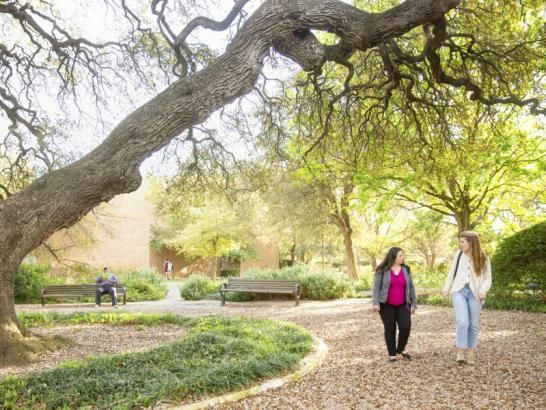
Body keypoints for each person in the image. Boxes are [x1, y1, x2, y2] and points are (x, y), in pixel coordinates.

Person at [443, 231, 492, 365]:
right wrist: (447, 287)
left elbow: (488, 278)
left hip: (475, 293)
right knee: (462, 321)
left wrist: (483, 290)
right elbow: (451, 272)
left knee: (473, 324)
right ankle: (460, 350)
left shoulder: (484, 257)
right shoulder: (458, 255)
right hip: (459, 291)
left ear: (471, 242)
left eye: (462, 241)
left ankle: (470, 352)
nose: (460, 244)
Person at [372, 247, 417, 362]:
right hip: (386, 304)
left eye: (403, 255)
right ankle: (392, 355)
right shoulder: (382, 269)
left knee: (405, 327)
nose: (403, 258)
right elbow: (376, 287)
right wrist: (375, 303)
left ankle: (400, 348)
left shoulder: (406, 269)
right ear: (393, 257)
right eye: (400, 256)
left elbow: (411, 287)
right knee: (390, 329)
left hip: (403, 304)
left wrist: (414, 303)